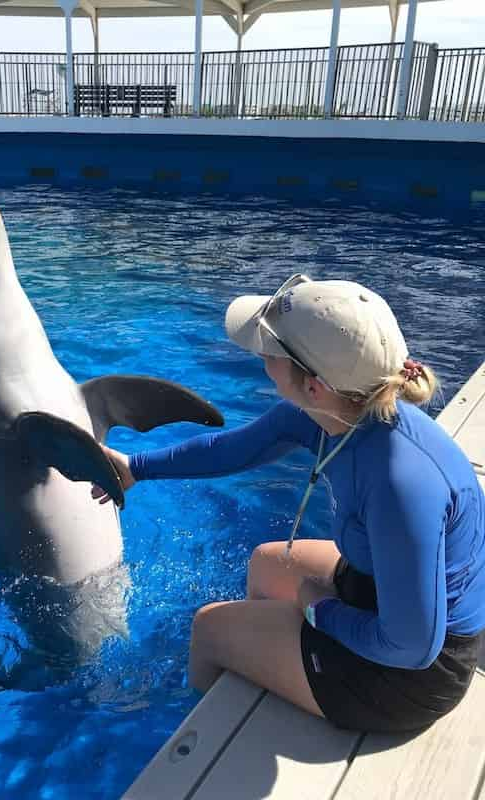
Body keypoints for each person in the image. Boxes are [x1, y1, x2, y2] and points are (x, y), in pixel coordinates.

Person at [92, 273, 485, 733]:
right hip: (381, 595)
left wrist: (321, 610)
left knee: (209, 630)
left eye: (270, 351)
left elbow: (413, 646)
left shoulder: (401, 483)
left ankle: (190, 748)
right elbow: (232, 449)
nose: (260, 354)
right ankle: (270, 664)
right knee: (266, 562)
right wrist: (136, 467)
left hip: (413, 676)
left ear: (314, 386)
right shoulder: (333, 412)